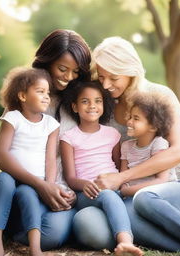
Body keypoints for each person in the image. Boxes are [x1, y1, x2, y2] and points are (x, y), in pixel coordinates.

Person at [73, 36, 180, 253]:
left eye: (113, 77)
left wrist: (121, 178)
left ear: (131, 70)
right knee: (88, 222)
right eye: (101, 77)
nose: (105, 84)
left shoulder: (159, 95)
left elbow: (179, 152)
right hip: (135, 193)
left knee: (144, 199)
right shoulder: (106, 107)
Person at [0, 29, 92, 254]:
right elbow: (0, 155)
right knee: (11, 186)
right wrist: (41, 185)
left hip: (50, 193)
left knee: (52, 234)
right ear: (47, 62)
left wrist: (61, 189)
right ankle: (0, 236)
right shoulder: (25, 95)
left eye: (75, 72)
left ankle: (11, 239)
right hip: (12, 190)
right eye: (62, 69)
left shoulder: (79, 102)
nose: (68, 77)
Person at [0, 67, 62, 256]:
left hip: (33, 187)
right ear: (22, 96)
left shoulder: (51, 124)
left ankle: (35, 249)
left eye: (48, 93)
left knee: (28, 193)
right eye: (40, 91)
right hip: (8, 186)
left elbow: (50, 160)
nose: (46, 97)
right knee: (4, 179)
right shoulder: (13, 118)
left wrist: (49, 186)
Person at [60, 80, 143, 256]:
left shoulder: (112, 134)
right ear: (75, 107)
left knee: (121, 199)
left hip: (114, 189)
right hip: (86, 193)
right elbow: (70, 178)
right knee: (106, 195)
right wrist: (85, 185)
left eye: (98, 101)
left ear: (104, 105)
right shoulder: (69, 138)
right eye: (85, 101)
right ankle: (125, 243)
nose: (92, 106)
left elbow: (120, 168)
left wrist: (122, 183)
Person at [120, 91, 177, 197]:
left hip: (158, 194)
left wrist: (125, 191)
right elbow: (123, 177)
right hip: (132, 195)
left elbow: (162, 180)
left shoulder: (159, 144)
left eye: (136, 118)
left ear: (153, 126)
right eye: (130, 117)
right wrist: (124, 188)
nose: (129, 122)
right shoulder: (126, 146)